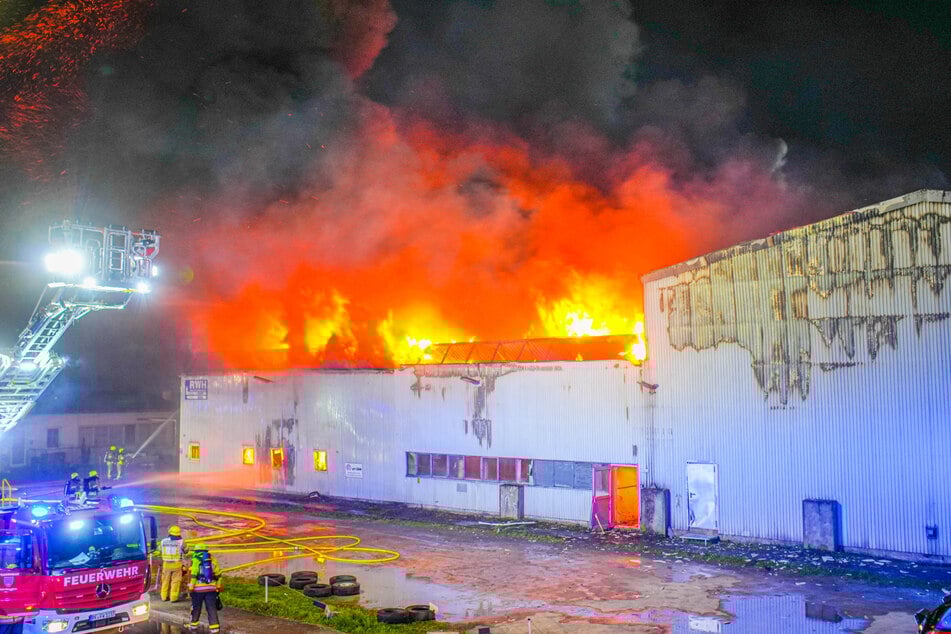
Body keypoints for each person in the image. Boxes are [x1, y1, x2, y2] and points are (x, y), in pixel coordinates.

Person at [187, 544, 222, 632]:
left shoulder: (195, 559)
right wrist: (218, 586)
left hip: (198, 589)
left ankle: (194, 626)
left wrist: (191, 586)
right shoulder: (212, 559)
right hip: (211, 589)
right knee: (211, 608)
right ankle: (215, 628)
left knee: (196, 607)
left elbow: (194, 574)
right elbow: (218, 574)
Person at [159, 525, 189, 602]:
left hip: (166, 564)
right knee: (175, 582)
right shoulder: (181, 541)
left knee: (165, 581)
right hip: (177, 564)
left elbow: (160, 550)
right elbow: (186, 551)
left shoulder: (163, 541)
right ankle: (173, 598)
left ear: (169, 532)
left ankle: (164, 597)